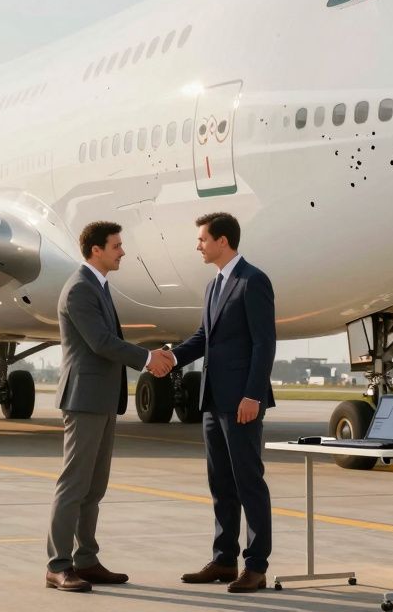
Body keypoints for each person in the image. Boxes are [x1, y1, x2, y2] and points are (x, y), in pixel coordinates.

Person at [45, 221, 173, 593]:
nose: (122, 251)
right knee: (73, 484)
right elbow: (101, 342)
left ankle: (86, 559)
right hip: (84, 399)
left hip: (100, 399)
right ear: (96, 250)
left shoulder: (98, 287)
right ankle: (57, 565)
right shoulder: (79, 289)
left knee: (94, 487)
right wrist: (148, 358)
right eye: (116, 245)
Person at [163, 212, 276, 593]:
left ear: (222, 241)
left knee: (249, 483)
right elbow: (204, 338)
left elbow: (264, 343)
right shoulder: (214, 286)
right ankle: (224, 560)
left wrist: (253, 395)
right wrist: (172, 358)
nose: (198, 246)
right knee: (221, 484)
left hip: (241, 400)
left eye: (202, 240)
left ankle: (256, 566)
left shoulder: (253, 281)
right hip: (213, 399)